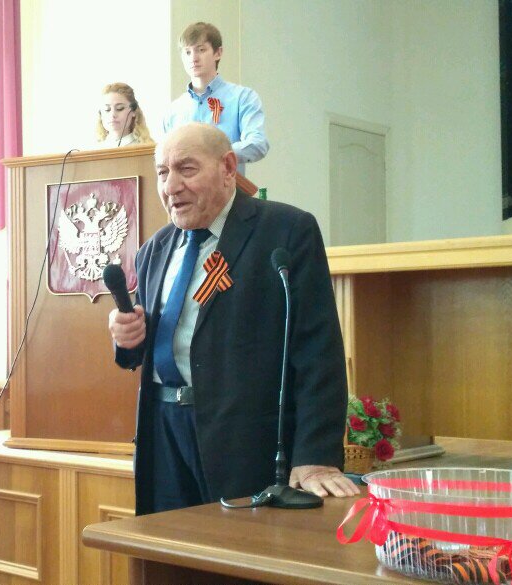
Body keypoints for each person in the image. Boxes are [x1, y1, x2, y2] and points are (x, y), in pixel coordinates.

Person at [107, 123, 357, 515]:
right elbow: (158, 341)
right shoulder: (154, 249)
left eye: (186, 169)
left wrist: (315, 456)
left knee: (237, 550)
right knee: (171, 549)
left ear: (227, 167)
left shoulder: (286, 232)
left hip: (243, 444)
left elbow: (318, 352)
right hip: (163, 435)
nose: (170, 186)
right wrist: (127, 337)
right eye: (162, 172)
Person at [163, 22, 269, 177]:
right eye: (187, 52)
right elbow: (163, 159)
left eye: (201, 50)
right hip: (183, 189)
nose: (193, 58)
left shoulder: (242, 98)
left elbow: (258, 144)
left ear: (218, 53)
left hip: (227, 186)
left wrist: (214, 155)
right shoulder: (173, 111)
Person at [93, 82, 153, 148]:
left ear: (133, 110)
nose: (112, 115)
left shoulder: (146, 149)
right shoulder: (94, 149)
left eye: (120, 108)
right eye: (107, 109)